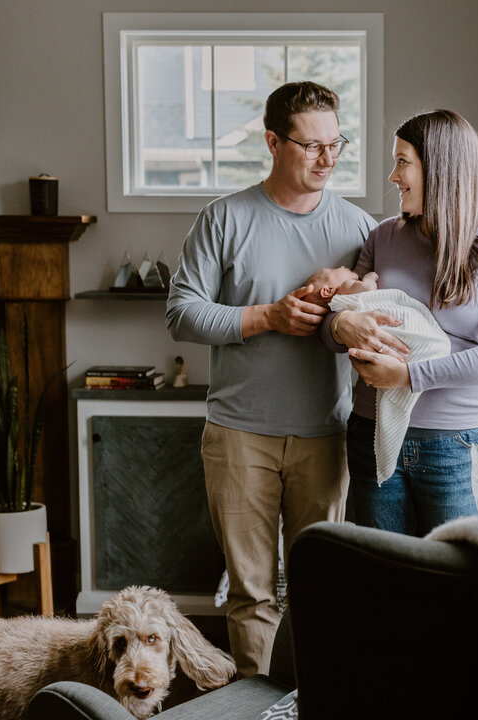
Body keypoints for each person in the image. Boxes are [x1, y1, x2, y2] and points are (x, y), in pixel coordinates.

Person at [166, 81, 375, 677]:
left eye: (336, 144)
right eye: (311, 146)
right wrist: (269, 317)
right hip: (238, 436)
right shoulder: (224, 218)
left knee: (319, 589)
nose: (327, 159)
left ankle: (312, 718)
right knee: (251, 593)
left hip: (326, 434)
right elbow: (181, 314)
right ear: (273, 142)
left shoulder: (361, 228)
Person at [322, 109, 478, 537]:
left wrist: (407, 375)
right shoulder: (383, 236)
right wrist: (340, 327)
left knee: (456, 587)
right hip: (372, 435)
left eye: (402, 162)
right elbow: (338, 321)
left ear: (438, 167)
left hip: (457, 447)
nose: (392, 176)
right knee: (379, 581)